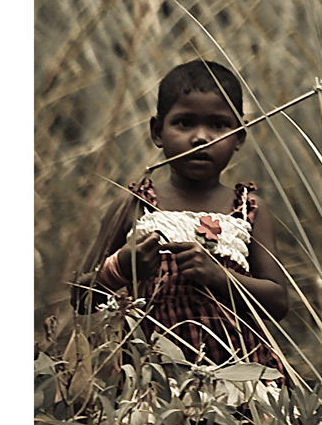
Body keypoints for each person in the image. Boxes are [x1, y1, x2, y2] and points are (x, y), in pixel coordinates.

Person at [75, 60, 290, 396]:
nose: (201, 138)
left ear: (239, 137)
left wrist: (221, 278)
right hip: (156, 381)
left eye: (219, 125)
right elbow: (80, 296)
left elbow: (278, 302)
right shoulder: (134, 205)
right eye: (184, 123)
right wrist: (120, 270)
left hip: (241, 374)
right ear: (158, 132)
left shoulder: (249, 210)